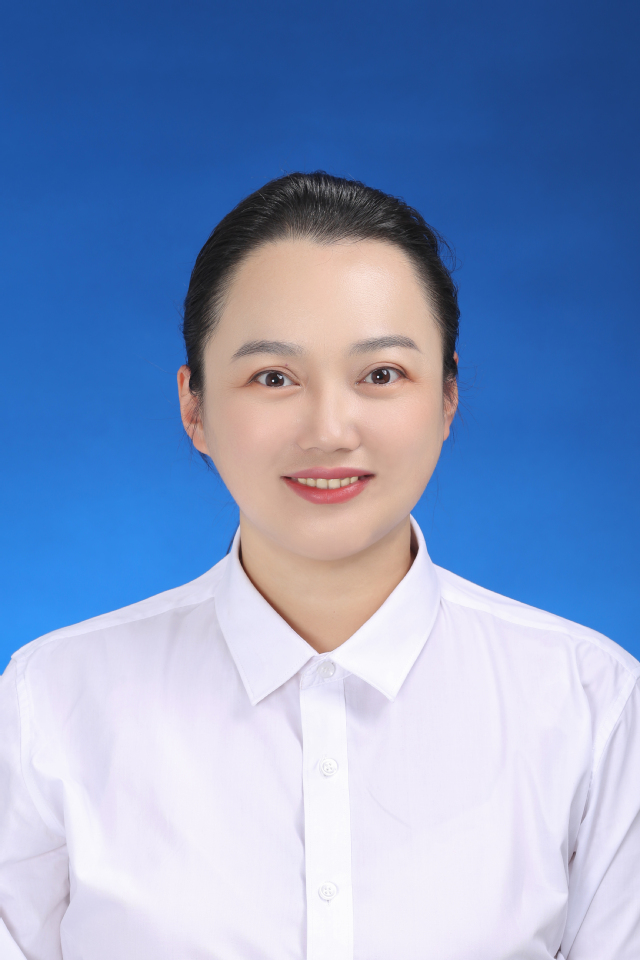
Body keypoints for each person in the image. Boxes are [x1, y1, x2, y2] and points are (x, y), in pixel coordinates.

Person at [0, 172, 638, 960]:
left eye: (381, 375)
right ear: (194, 406)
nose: (330, 430)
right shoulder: (50, 705)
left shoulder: (593, 707)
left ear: (447, 397)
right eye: (274, 378)